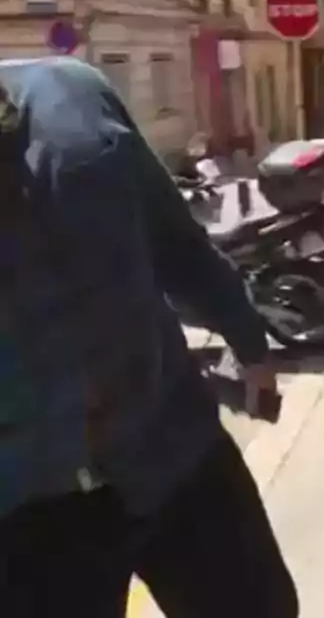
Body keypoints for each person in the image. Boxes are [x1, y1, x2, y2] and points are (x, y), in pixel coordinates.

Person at [0, 57, 298, 617]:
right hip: (28, 510)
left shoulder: (75, 95)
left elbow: (176, 243)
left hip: (175, 447)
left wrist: (250, 345)